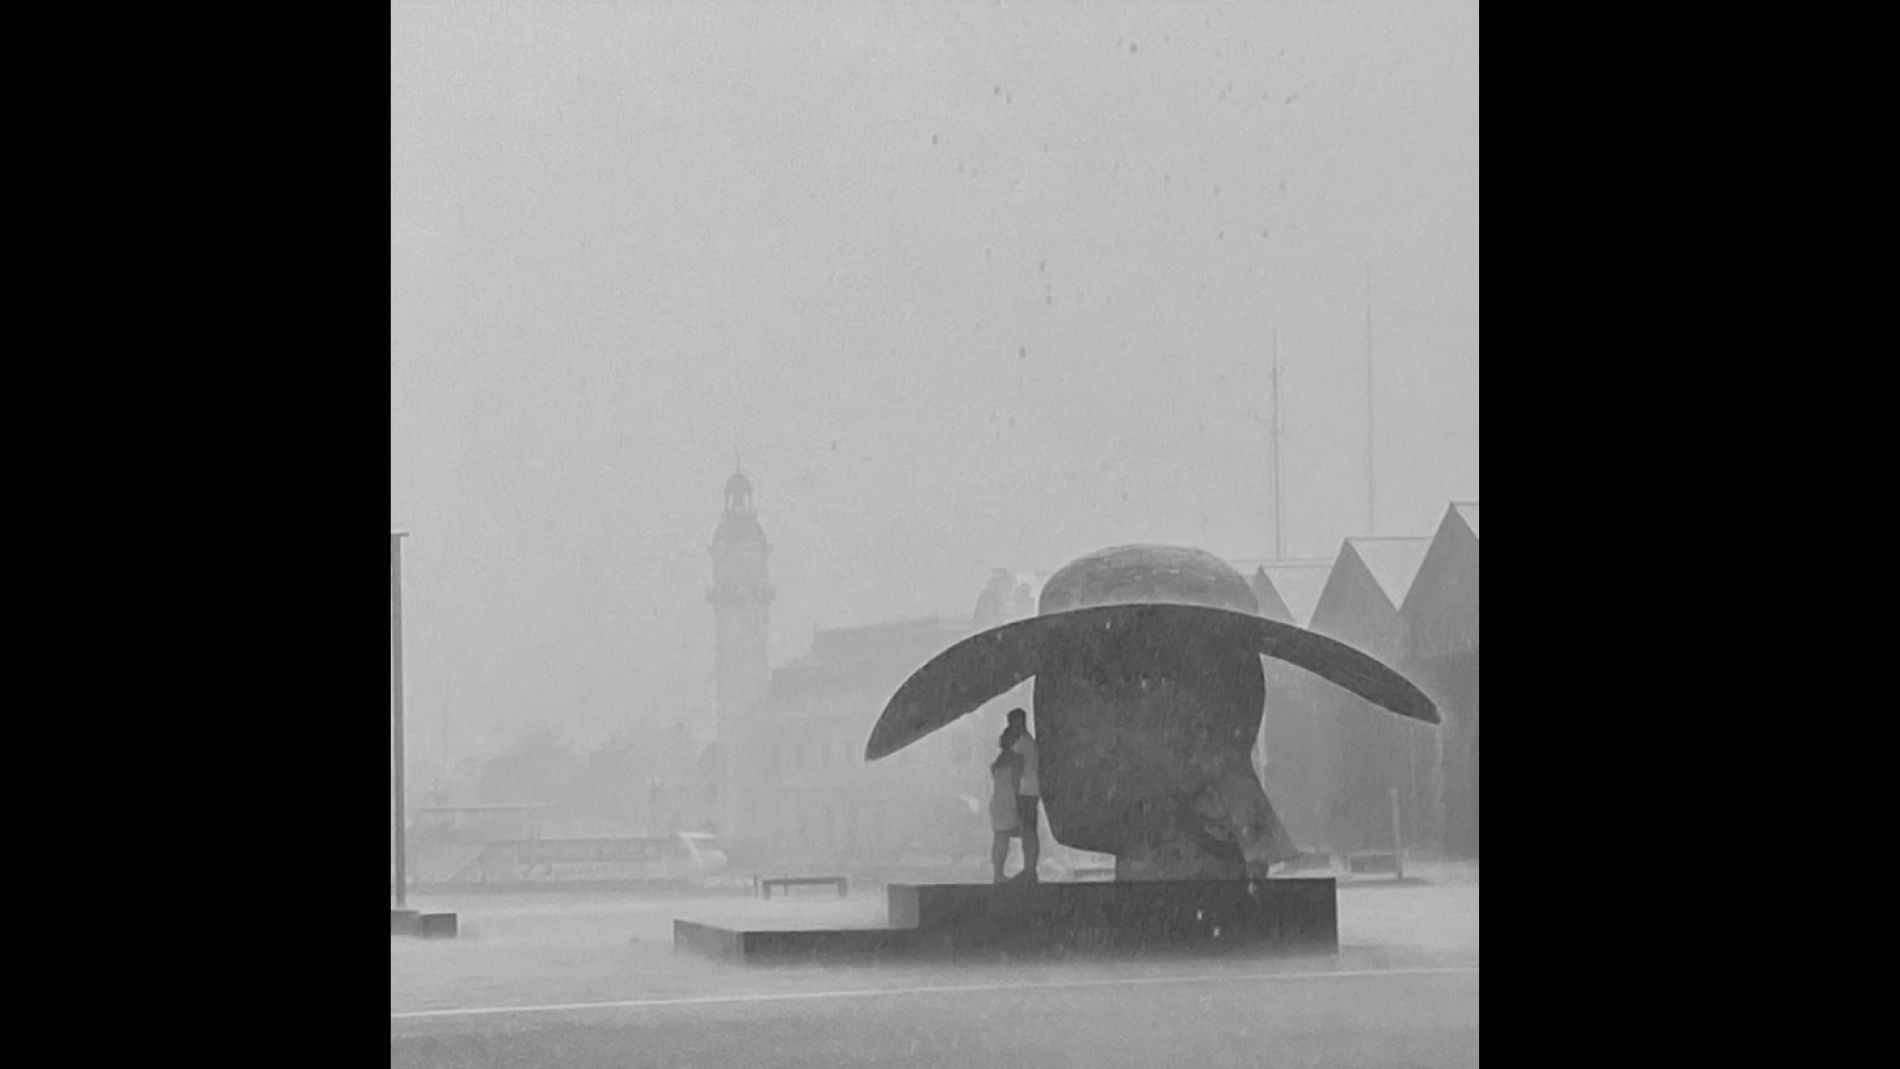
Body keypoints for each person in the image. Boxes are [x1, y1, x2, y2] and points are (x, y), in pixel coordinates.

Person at [1004, 707, 1041, 883]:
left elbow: (1016, 770)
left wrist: (1012, 793)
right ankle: (1030, 868)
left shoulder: (1021, 744)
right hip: (1032, 790)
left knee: (1027, 831)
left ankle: (1029, 870)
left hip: (1023, 791)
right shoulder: (1029, 741)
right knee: (1030, 831)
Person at [988, 738, 1023, 883]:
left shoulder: (998, 763)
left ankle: (998, 873)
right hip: (1010, 803)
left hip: (998, 802)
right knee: (1026, 836)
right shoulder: (1017, 761)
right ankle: (1026, 869)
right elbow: (1017, 785)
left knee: (1000, 840)